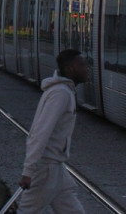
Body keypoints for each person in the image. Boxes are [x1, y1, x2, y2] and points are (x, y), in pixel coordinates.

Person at [17, 49, 89, 214]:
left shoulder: (64, 91)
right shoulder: (60, 94)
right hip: (46, 167)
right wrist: (29, 171)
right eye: (82, 65)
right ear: (70, 68)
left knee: (72, 209)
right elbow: (40, 133)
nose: (86, 69)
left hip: (55, 166)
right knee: (27, 211)